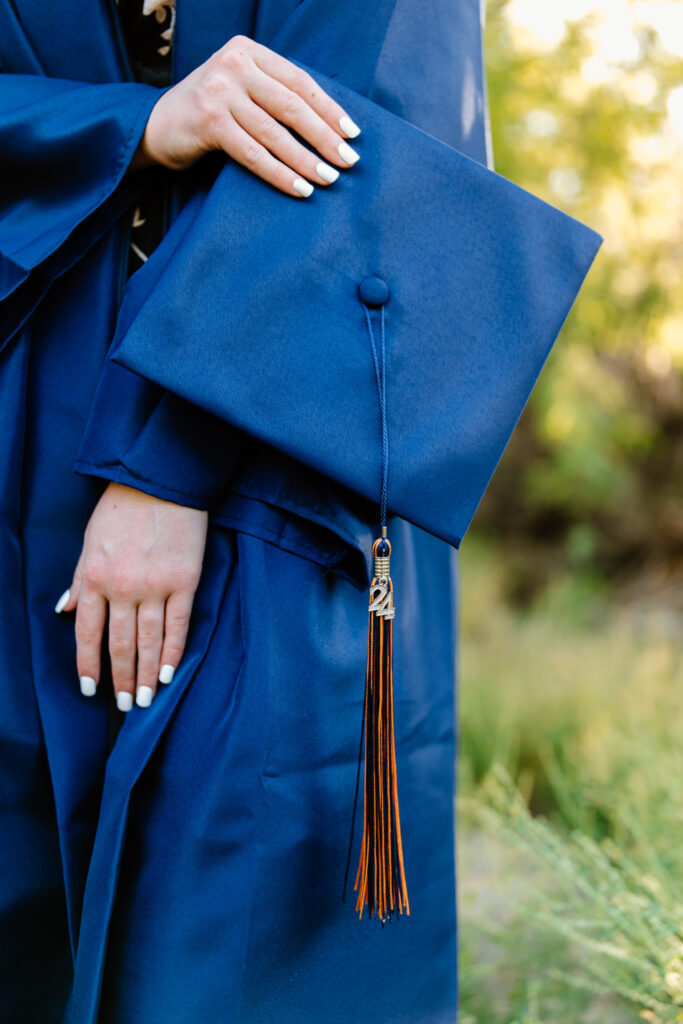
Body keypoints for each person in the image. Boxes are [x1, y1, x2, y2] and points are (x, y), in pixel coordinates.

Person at [0, 1, 601, 1021]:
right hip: (22, 419)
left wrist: (162, 467)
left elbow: (378, 123)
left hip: (270, 447)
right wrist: (130, 126)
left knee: (229, 945)